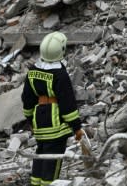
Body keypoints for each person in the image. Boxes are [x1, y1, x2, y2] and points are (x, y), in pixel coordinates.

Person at [22, 31, 83, 186]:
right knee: (53, 160)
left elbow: (27, 99)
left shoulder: (33, 71)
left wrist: (30, 120)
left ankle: (35, 183)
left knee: (41, 154)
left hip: (39, 121)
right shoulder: (60, 74)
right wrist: (76, 127)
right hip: (55, 124)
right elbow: (67, 103)